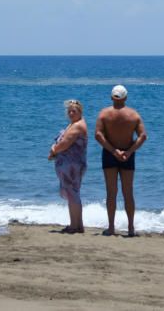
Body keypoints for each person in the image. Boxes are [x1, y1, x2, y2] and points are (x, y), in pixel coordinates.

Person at [94, 85, 147, 236]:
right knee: (128, 192)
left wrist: (112, 150)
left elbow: (98, 135)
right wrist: (129, 151)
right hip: (127, 155)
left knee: (111, 192)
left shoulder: (104, 114)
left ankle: (111, 228)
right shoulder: (133, 115)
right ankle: (130, 228)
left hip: (110, 154)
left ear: (112, 97)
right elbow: (143, 136)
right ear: (126, 98)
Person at [48, 99, 88, 233]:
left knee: (73, 194)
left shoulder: (77, 126)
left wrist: (54, 149)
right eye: (69, 111)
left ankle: (75, 226)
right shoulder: (74, 124)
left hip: (72, 165)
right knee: (73, 193)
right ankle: (76, 225)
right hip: (71, 164)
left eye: (74, 111)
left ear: (80, 112)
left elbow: (65, 144)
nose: (71, 113)